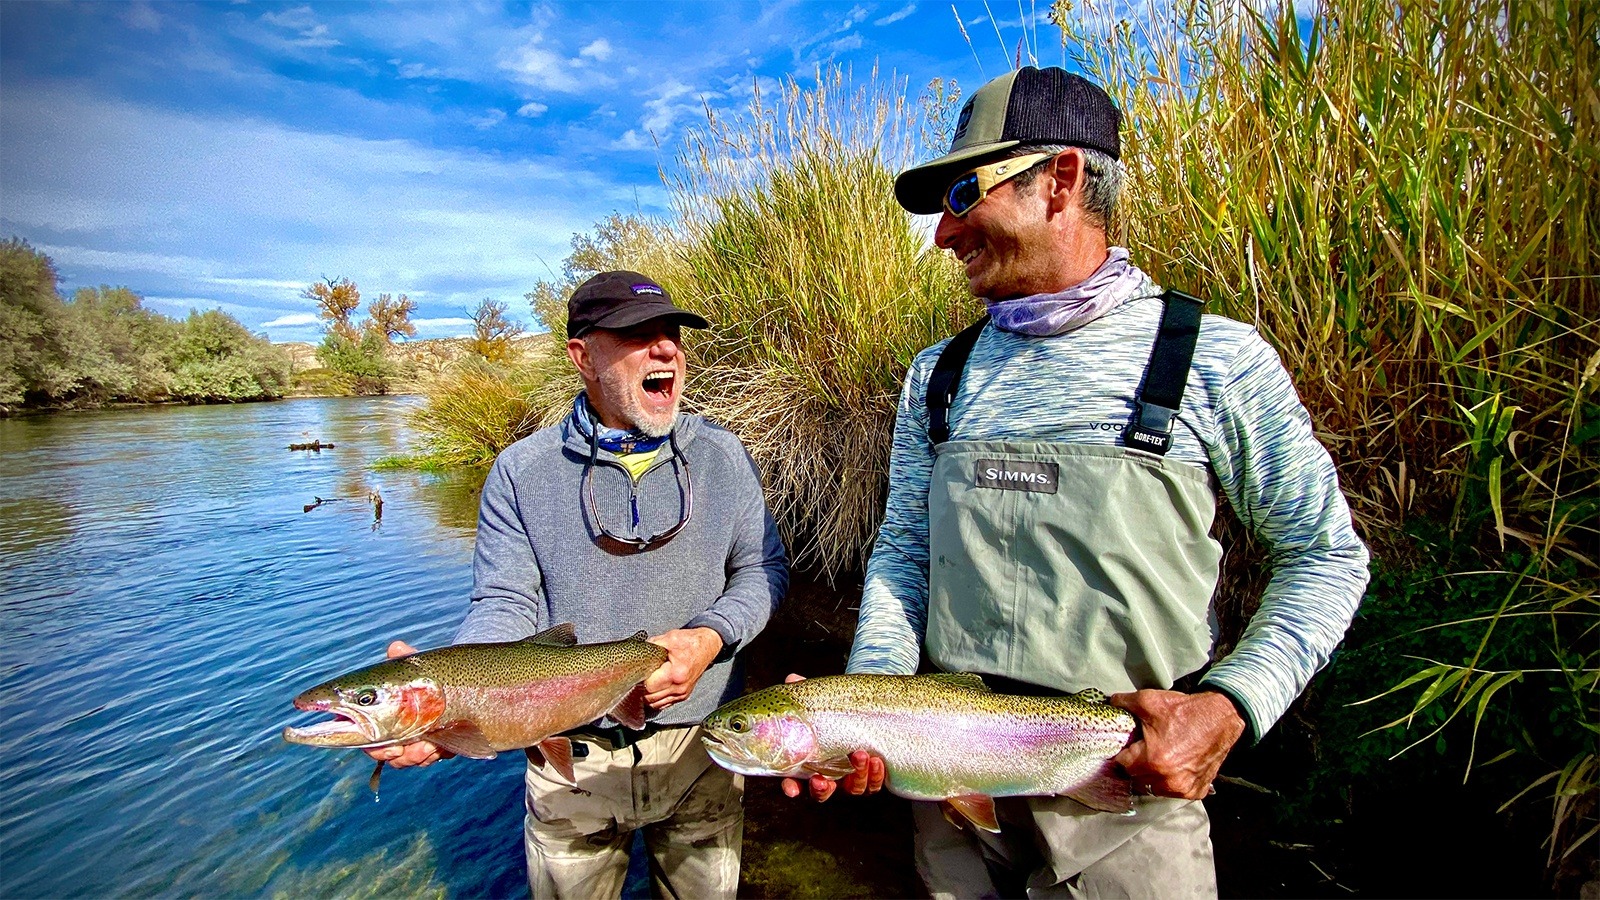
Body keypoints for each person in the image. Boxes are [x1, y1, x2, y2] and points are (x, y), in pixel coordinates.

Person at [788, 66, 1370, 898]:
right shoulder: (937, 375)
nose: (944, 236)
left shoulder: (1213, 360)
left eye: (962, 193)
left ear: (1061, 178)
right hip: (953, 803)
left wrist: (1230, 705)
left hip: (1126, 806)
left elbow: (1326, 556)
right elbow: (905, 550)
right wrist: (869, 707)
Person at [368, 270, 789, 899]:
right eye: (636, 335)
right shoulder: (520, 471)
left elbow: (763, 574)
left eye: (671, 334)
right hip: (567, 756)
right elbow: (505, 603)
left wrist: (708, 639)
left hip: (706, 744)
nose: (666, 349)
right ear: (582, 356)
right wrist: (458, 689)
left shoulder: (723, 457)